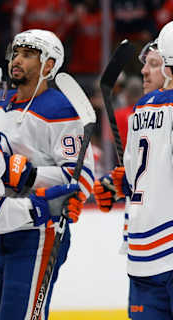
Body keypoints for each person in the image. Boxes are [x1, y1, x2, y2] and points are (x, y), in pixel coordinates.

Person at [0, 29, 95, 320]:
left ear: (48, 65)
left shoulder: (59, 109)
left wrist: (33, 176)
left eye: (28, 54)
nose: (16, 60)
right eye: (16, 53)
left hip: (38, 231)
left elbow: (82, 177)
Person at [93, 21, 173, 319]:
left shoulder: (141, 109)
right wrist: (122, 183)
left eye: (154, 63)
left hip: (142, 251)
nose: (144, 71)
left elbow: (138, 173)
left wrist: (120, 184)